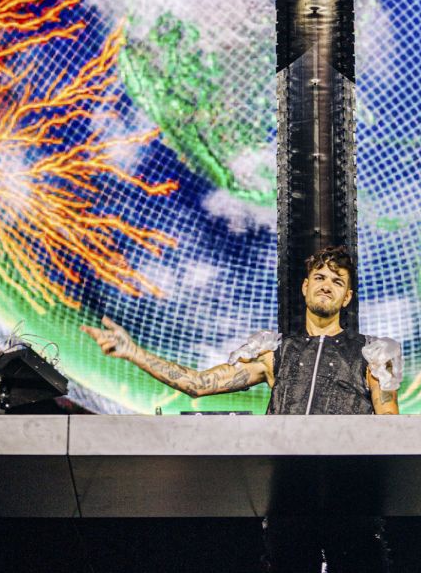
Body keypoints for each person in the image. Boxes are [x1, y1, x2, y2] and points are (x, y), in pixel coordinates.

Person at [83, 245, 402, 572]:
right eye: (319, 277)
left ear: (346, 297)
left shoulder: (372, 353)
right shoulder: (273, 352)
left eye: (337, 281)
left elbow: (389, 421)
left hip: (350, 497)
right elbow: (198, 383)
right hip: (288, 498)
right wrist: (132, 351)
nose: (326, 285)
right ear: (305, 287)